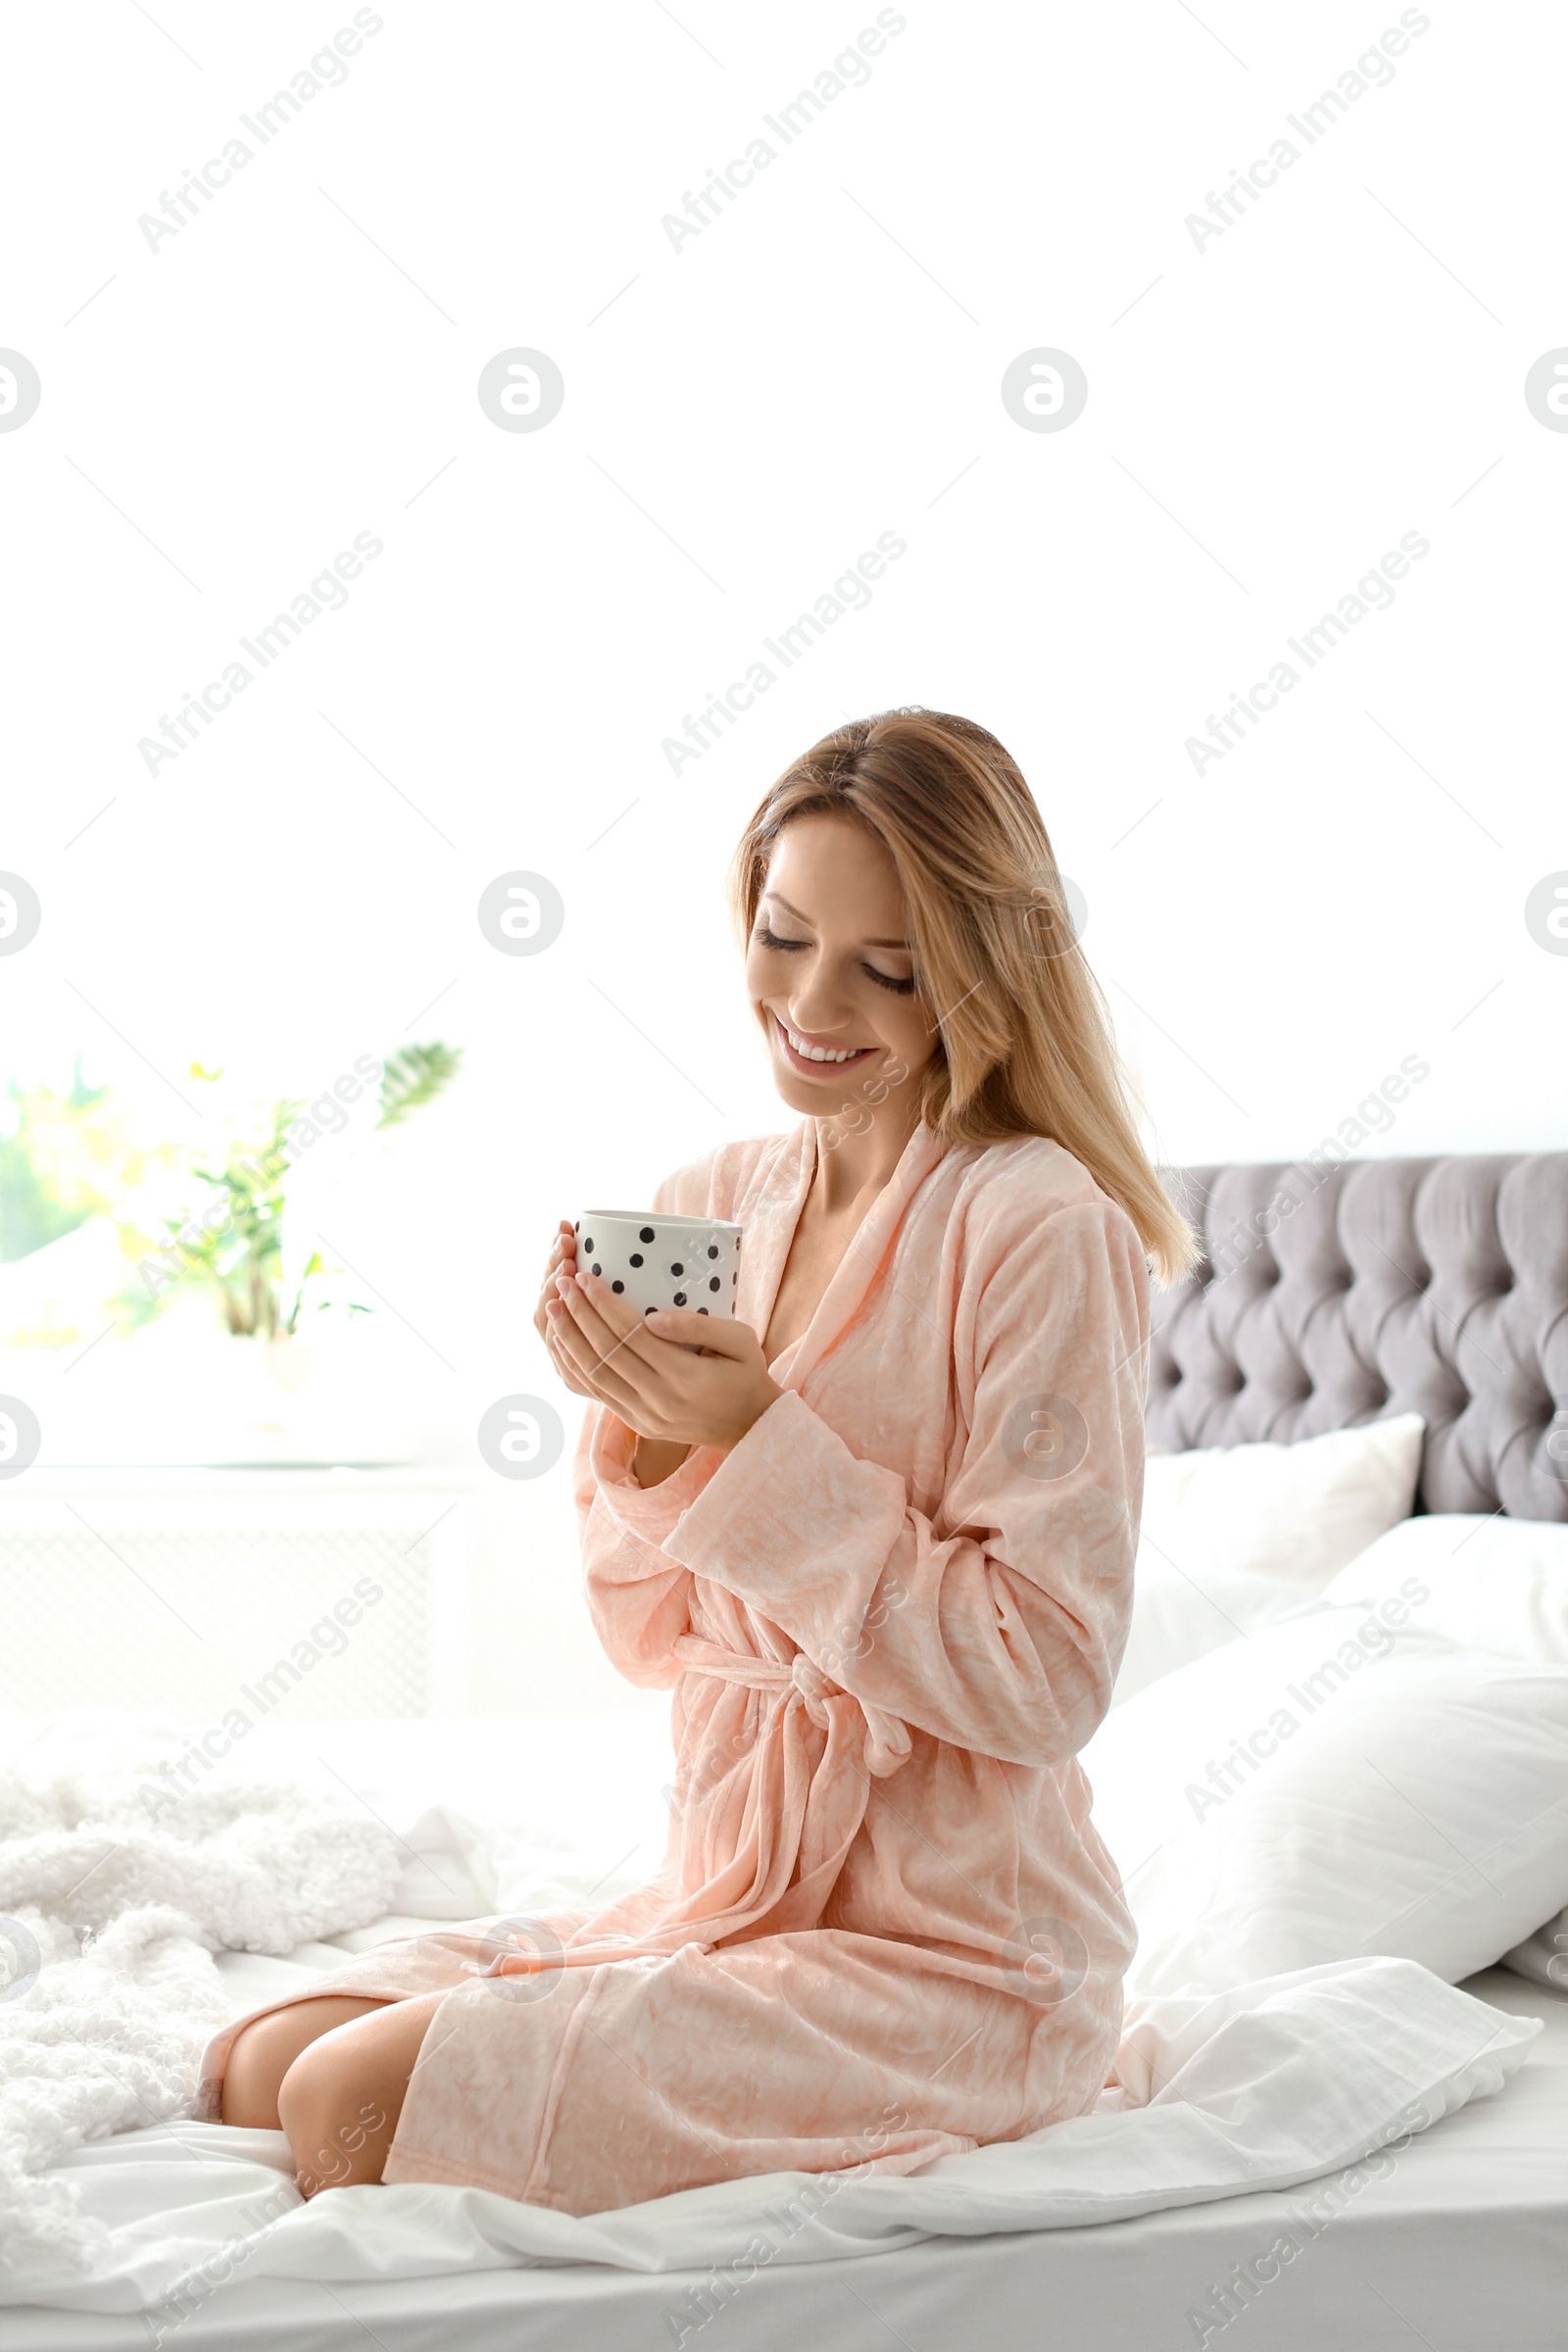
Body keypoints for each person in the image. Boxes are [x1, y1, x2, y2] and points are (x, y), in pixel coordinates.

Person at [207, 708, 1195, 2214]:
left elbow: (1045, 1677)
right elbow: (647, 1636)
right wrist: (651, 1429)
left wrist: (756, 1438)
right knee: (264, 2055)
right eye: (785, 936)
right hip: (736, 1896)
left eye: (892, 967)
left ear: (984, 975)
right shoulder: (721, 1198)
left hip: (959, 1962)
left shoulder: (1039, 1225)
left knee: (346, 2099)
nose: (812, 1002)